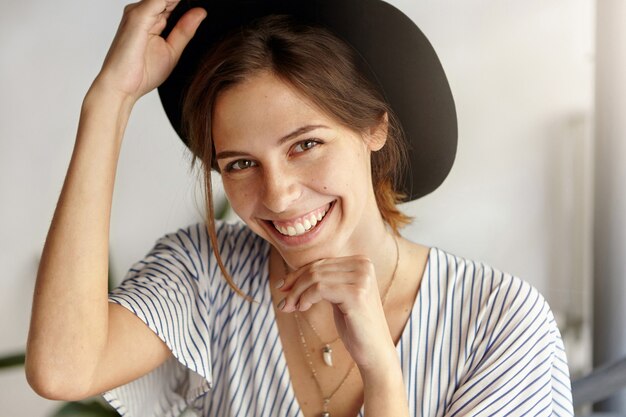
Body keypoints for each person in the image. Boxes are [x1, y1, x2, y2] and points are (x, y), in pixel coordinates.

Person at [25, 0, 574, 416]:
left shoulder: (499, 323)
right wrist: (110, 100)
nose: (279, 195)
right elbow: (64, 368)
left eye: (305, 145)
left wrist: (382, 372)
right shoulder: (205, 274)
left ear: (374, 126)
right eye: (240, 163)